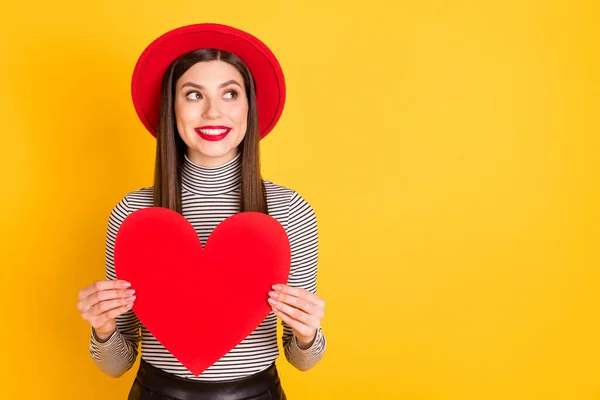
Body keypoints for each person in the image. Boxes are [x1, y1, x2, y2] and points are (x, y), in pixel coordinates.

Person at [76, 23, 327, 399]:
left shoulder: (289, 211)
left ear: (248, 107)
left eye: (230, 94)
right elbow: (116, 363)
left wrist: (308, 334)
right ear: (171, 108)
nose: (213, 111)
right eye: (194, 95)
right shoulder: (134, 213)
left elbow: (302, 359)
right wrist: (103, 328)